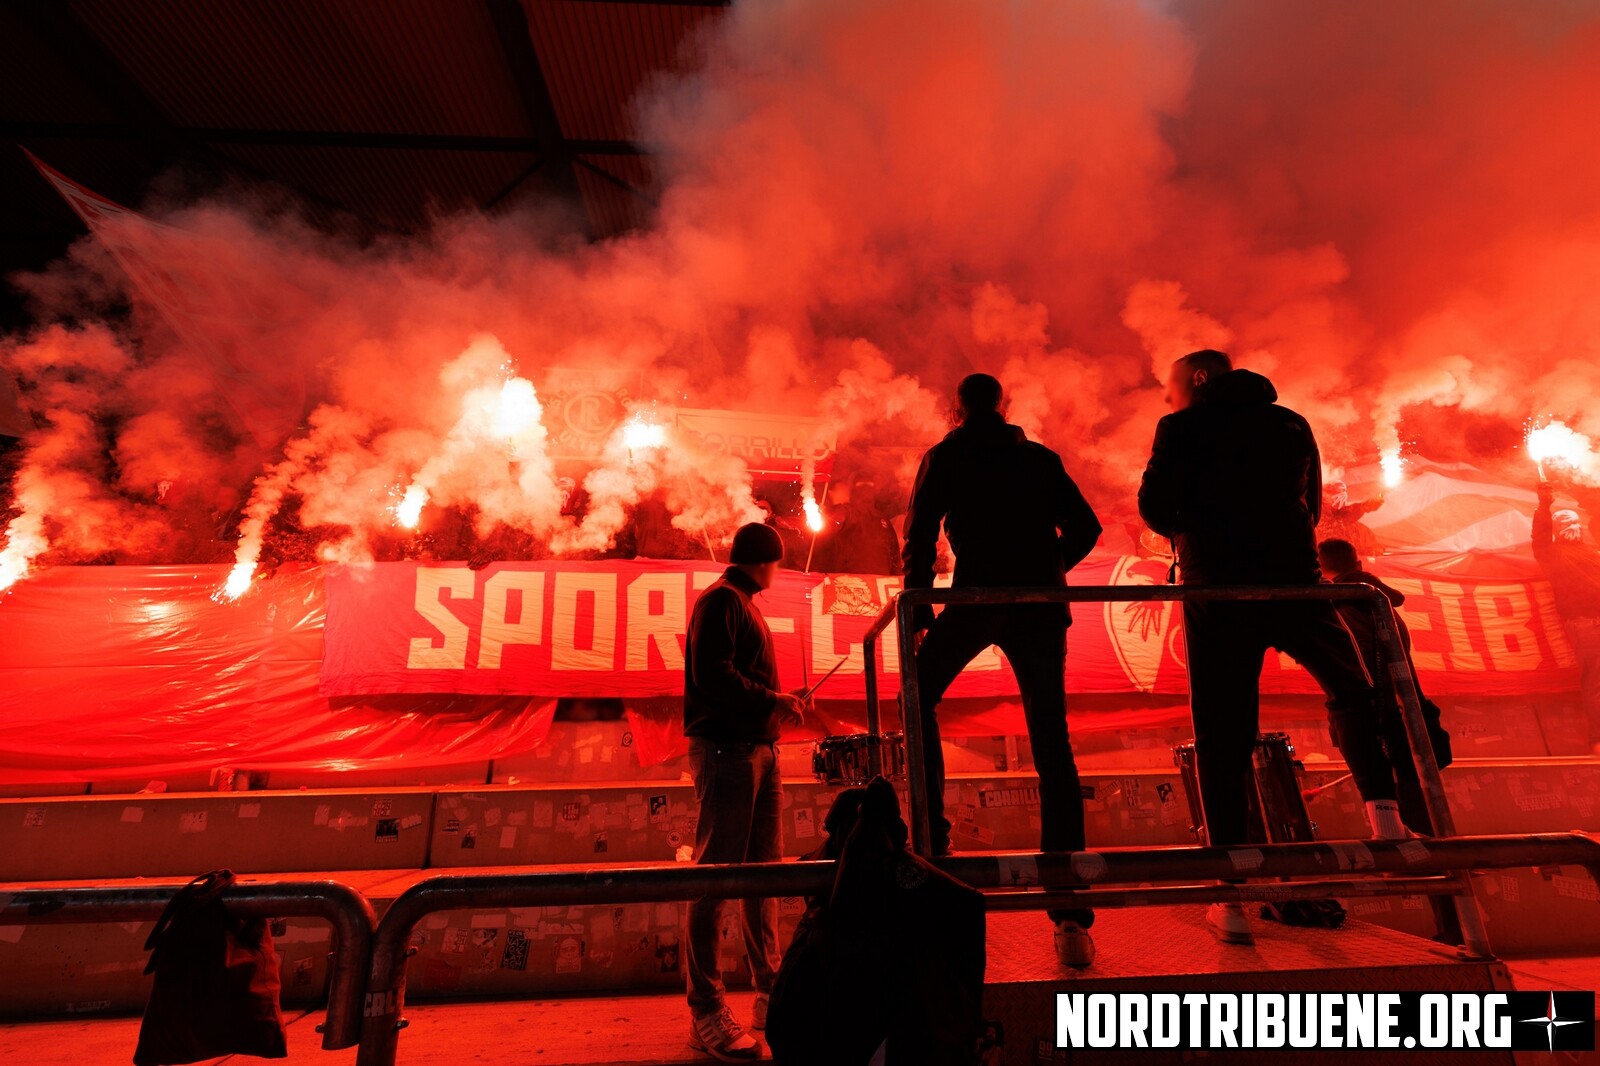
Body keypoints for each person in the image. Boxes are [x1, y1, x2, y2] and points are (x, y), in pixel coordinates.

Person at [1138, 350, 1411, 948]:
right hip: (1294, 577)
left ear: (1200, 380)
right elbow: (1310, 505)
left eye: (1175, 384)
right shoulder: (1289, 422)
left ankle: (1230, 896)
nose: (1169, 396)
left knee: (1222, 732)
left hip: (1219, 588)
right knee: (1353, 688)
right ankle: (1384, 811)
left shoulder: (1181, 428)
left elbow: (1155, 507)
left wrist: (1197, 525)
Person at [902, 373, 1103, 967]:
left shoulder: (946, 454)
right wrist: (1047, 570)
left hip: (975, 598)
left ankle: (934, 850)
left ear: (956, 408)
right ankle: (1069, 916)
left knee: (917, 700)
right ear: (1004, 406)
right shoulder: (1039, 458)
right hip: (1039, 606)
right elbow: (1086, 527)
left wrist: (920, 605)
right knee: (1052, 741)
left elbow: (918, 535)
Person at [682, 522, 811, 1062]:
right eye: (777, 564)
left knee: (766, 875)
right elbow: (713, 677)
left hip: (759, 750)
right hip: (727, 752)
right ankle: (706, 1009)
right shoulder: (722, 602)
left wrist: (775, 704)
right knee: (715, 879)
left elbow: (737, 677)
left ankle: (769, 990)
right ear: (766, 561)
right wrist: (773, 700)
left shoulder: (742, 603)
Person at [1318, 537, 1461, 944]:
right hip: (1407, 724)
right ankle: (1453, 925)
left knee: (1417, 830)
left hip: (1387, 727)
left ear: (1320, 566)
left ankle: (1453, 928)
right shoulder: (1377, 599)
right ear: (1356, 560)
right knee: (1427, 827)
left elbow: (1359, 674)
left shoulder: (1346, 603)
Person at [1532, 482, 1600, 756]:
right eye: (1565, 522)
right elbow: (1540, 537)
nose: (1572, 525)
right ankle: (1598, 740)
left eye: (1574, 521)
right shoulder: (1553, 555)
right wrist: (1544, 505)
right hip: (1585, 623)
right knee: (1597, 681)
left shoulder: (1594, 554)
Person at [813, 472, 901, 575]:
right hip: (861, 581)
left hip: (868, 581)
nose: (866, 489)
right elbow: (826, 529)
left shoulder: (880, 518)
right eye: (861, 484)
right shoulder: (848, 512)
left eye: (869, 485)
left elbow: (894, 553)